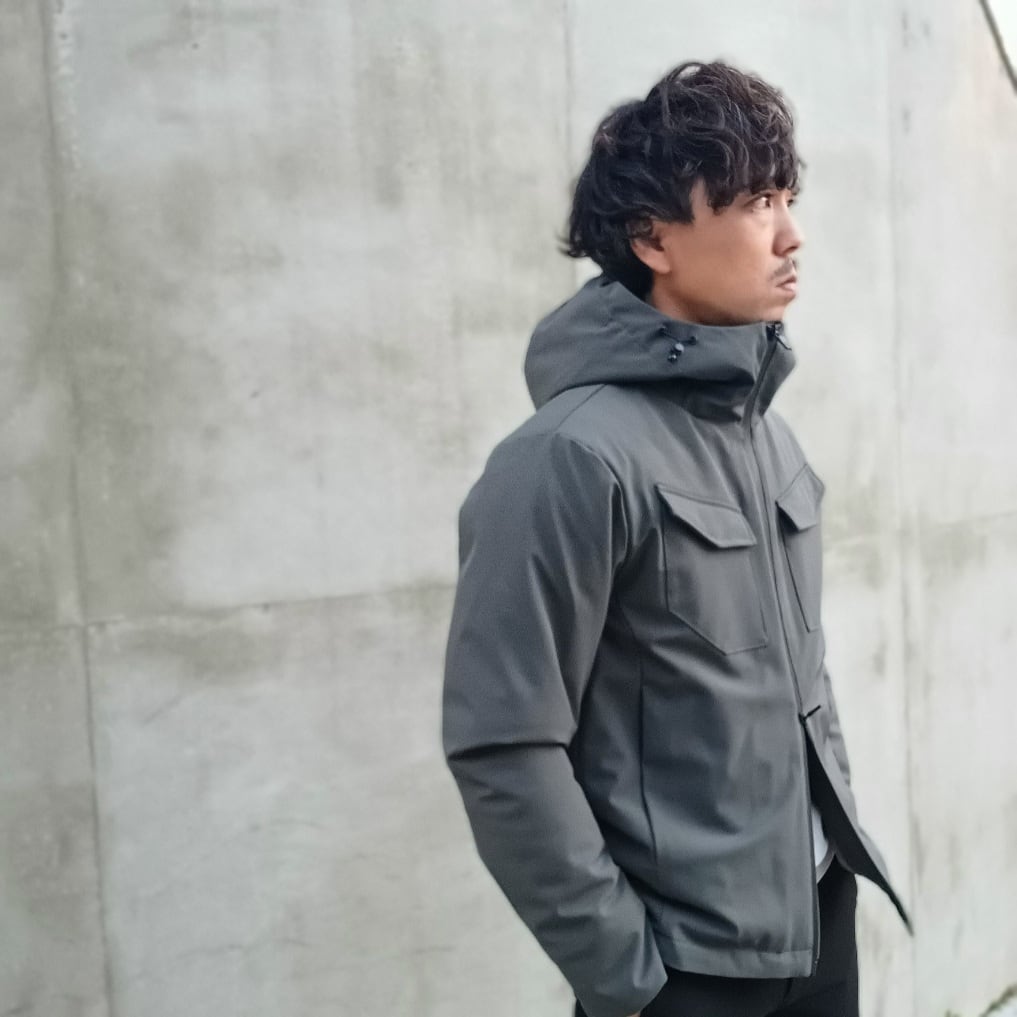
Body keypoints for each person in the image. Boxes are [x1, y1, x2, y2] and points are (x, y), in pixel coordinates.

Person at [441, 60, 910, 1017]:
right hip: (681, 971)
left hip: (817, 924)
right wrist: (631, 980)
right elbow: (503, 742)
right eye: (755, 202)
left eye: (786, 198)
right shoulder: (567, 458)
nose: (790, 233)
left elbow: (800, 683)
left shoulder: (768, 436)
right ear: (653, 238)